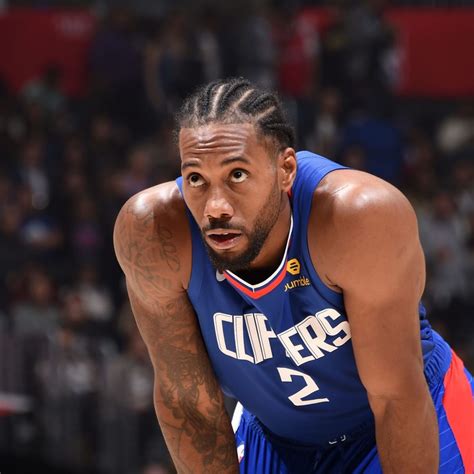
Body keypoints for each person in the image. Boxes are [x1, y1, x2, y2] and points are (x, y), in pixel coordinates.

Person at [113, 78, 473, 474]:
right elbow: (189, 402)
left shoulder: (358, 217)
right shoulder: (152, 233)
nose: (215, 207)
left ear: (285, 170)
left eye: (237, 175)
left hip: (409, 413)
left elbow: (394, 397)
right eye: (197, 178)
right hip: (277, 437)